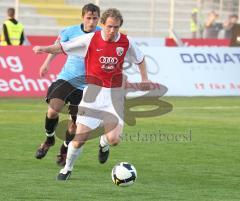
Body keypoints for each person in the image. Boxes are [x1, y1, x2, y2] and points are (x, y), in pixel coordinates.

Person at [33, 8, 151, 181]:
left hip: (115, 94)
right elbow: (64, 47)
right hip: (93, 93)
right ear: (102, 24)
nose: (112, 31)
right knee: (79, 138)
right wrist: (44, 48)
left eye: (116, 27)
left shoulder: (126, 42)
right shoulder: (91, 39)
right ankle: (67, 168)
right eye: (109, 26)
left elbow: (140, 59)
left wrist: (145, 78)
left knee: (114, 140)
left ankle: (103, 143)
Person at [35, 3, 101, 167]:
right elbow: (58, 48)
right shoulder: (69, 31)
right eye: (88, 18)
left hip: (86, 86)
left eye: (95, 18)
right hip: (66, 78)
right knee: (53, 110)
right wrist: (46, 63)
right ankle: (49, 139)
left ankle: (64, 149)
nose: (91, 22)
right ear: (82, 17)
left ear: (99, 19)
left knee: (75, 125)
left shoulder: (102, 34)